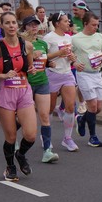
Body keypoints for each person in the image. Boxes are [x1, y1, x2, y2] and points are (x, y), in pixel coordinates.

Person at [0, 11, 38, 181]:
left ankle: (20, 154)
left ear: (17, 24)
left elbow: (29, 67)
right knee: (11, 136)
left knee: (31, 134)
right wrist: (4, 75)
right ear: (2, 26)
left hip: (23, 90)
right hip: (5, 92)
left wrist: (32, 69)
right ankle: (10, 167)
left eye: (14, 22)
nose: (11, 26)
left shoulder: (27, 45)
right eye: (7, 23)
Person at [70, 10, 102, 148]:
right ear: (85, 24)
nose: (96, 27)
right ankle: (93, 137)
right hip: (84, 74)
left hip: (98, 74)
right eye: (93, 25)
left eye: (97, 25)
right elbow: (67, 53)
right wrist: (74, 63)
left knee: (98, 108)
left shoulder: (99, 36)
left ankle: (81, 119)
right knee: (92, 106)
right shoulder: (75, 39)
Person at [20, 15, 58, 163]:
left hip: (42, 82)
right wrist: (30, 56)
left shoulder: (42, 43)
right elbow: (17, 63)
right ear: (25, 27)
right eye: (30, 25)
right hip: (26, 83)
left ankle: (47, 151)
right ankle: (13, 141)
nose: (34, 27)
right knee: (21, 118)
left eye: (36, 24)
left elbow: (44, 60)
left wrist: (49, 63)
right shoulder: (20, 43)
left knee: (44, 116)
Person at [44, 12, 80, 152]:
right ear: (57, 23)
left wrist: (72, 57)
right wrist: (58, 54)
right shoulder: (49, 37)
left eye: (68, 21)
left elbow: (70, 55)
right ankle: (46, 137)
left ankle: (67, 138)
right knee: (50, 108)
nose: (68, 23)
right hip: (52, 74)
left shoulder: (68, 37)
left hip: (67, 73)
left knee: (70, 107)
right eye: (65, 21)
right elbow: (43, 56)